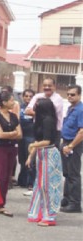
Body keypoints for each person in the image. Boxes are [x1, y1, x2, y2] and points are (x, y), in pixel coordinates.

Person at [26, 98, 63, 226]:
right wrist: (30, 156)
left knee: (48, 186)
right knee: (39, 184)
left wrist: (32, 146)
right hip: (41, 153)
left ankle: (49, 216)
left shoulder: (48, 121)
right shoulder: (40, 120)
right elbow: (38, 141)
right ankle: (38, 212)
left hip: (50, 153)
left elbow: (46, 141)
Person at [0, 91, 23, 217]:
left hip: (12, 148)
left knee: (7, 178)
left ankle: (1, 205)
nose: (13, 102)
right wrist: (12, 134)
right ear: (4, 102)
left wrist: (9, 135)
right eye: (11, 100)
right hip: (0, 148)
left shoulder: (13, 116)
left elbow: (20, 134)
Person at [59, 84, 83, 213]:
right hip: (67, 142)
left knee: (73, 174)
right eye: (68, 94)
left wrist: (71, 146)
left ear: (79, 95)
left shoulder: (80, 110)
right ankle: (67, 198)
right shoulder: (71, 108)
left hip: (74, 144)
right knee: (67, 173)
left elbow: (81, 131)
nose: (69, 97)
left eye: (73, 94)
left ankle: (75, 203)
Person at [25, 78, 64, 146]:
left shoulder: (58, 99)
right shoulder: (38, 96)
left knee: (50, 154)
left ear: (54, 86)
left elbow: (50, 113)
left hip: (52, 131)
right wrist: (41, 114)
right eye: (45, 85)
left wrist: (36, 112)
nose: (47, 87)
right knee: (37, 153)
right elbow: (27, 111)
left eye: (49, 85)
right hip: (38, 129)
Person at [18, 89, 36, 193]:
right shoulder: (20, 107)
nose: (28, 98)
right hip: (21, 136)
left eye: (30, 96)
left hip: (31, 136)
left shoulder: (36, 107)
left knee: (30, 160)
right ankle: (22, 180)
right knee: (22, 159)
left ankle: (31, 182)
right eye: (26, 96)